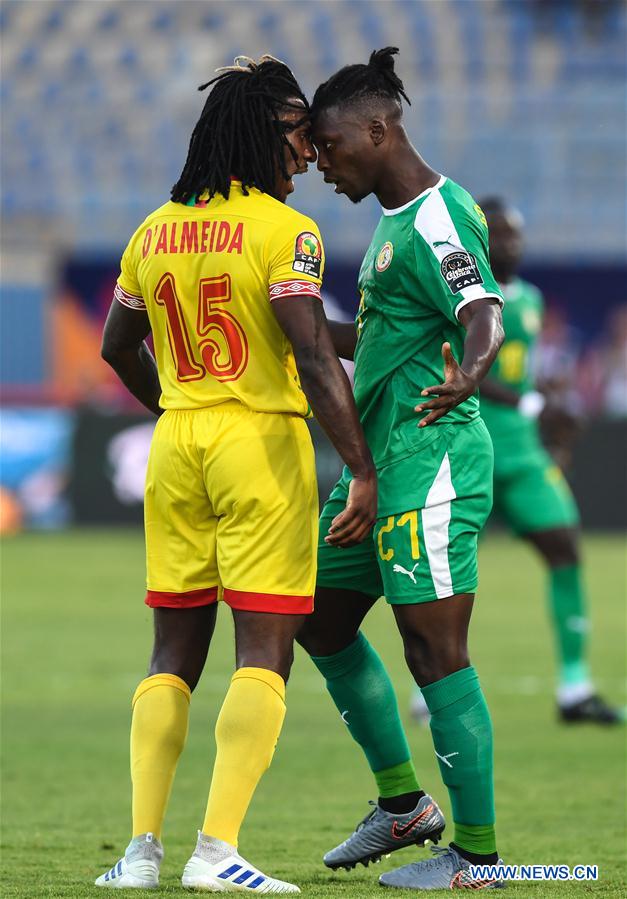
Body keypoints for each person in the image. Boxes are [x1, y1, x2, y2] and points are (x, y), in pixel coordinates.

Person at [97, 56, 376, 893]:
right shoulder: (285, 231)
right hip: (259, 443)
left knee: (170, 650)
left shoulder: (153, 230)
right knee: (265, 646)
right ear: (261, 132)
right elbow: (311, 352)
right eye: (297, 130)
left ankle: (139, 852)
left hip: (178, 441)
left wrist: (175, 407)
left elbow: (117, 346)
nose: (308, 148)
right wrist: (359, 466)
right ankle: (216, 850)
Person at [295, 48, 506, 890]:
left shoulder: (436, 216)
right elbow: (381, 339)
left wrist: (472, 370)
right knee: (317, 616)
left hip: (432, 458)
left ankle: (478, 858)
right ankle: (402, 805)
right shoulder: (392, 224)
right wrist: (293, 322)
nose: (321, 163)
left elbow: (480, 307)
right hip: (377, 464)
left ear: (378, 130)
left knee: (433, 649)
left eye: (331, 145)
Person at [471, 197, 621, 723]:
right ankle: (431, 693)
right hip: (471, 448)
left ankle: (574, 690)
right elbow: (463, 370)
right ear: (479, 239)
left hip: (523, 452)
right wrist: (533, 404)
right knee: (445, 574)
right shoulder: (463, 297)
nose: (510, 243)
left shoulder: (531, 299)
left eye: (516, 233)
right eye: (499, 233)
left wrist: (548, 414)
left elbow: (517, 374)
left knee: (565, 548)